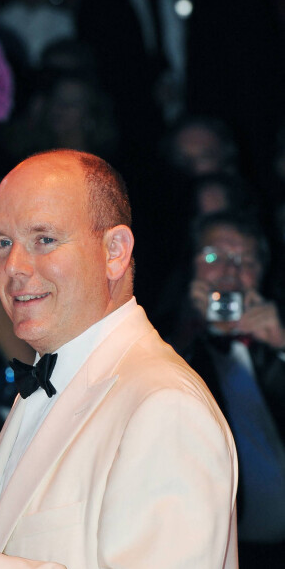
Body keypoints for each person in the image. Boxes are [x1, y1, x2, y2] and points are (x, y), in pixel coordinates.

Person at [0, 149, 239, 568]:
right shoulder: (47, 381)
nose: (14, 266)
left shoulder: (165, 404)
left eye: (44, 239)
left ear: (114, 251)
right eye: (3, 243)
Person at [168, 211, 285, 568]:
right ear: (189, 266)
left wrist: (282, 345)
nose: (231, 273)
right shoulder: (164, 344)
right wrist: (188, 327)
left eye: (246, 260)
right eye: (214, 258)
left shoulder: (275, 340)